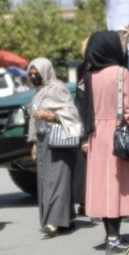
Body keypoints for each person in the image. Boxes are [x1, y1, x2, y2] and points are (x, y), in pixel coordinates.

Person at [82, 31, 129, 254]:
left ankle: (110, 235)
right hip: (117, 133)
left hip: (96, 134)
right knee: (116, 186)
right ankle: (114, 238)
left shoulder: (90, 76)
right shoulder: (121, 73)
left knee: (102, 186)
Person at [27, 57, 82, 237]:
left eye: (37, 73)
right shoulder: (38, 92)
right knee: (46, 181)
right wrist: (35, 142)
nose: (34, 76)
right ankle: (65, 219)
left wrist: (52, 117)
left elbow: (72, 114)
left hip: (58, 140)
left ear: (46, 72)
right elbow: (34, 120)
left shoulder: (58, 89)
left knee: (57, 181)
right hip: (43, 141)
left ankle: (53, 223)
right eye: (31, 73)